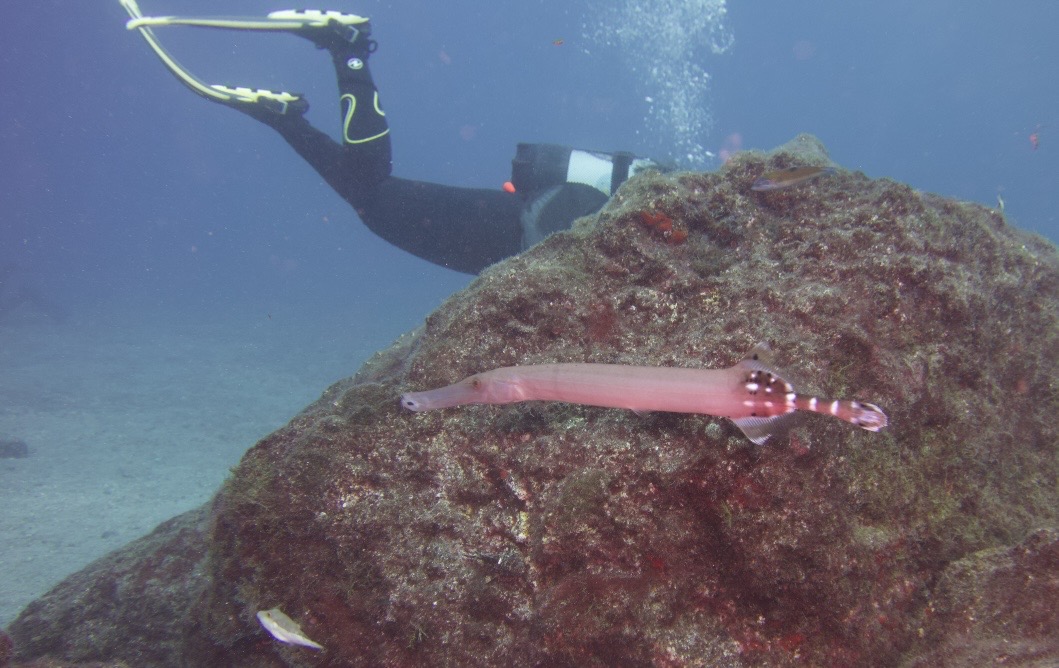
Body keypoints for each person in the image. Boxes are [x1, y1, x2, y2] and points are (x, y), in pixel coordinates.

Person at [121, 3, 665, 274]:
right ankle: (348, 48)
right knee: (375, 199)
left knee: (371, 201)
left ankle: (285, 118)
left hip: (520, 229)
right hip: (516, 233)